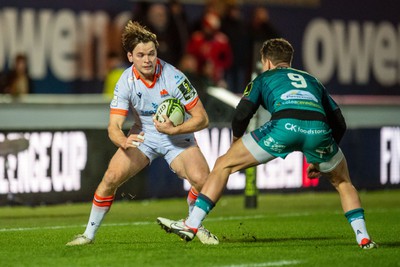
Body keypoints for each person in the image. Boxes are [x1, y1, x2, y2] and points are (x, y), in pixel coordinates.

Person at [157, 38, 377, 249]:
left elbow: (242, 113)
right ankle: (364, 238)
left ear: (268, 62)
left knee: (224, 164)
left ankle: (192, 224)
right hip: (319, 130)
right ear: (289, 60)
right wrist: (323, 153)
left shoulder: (264, 78)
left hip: (284, 126)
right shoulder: (312, 80)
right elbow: (339, 122)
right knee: (343, 183)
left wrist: (236, 142)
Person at [66, 20, 219, 246]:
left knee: (203, 181)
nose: (147, 59)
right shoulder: (125, 81)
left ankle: (193, 224)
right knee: (110, 178)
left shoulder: (175, 77)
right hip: (144, 136)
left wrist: (174, 129)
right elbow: (114, 127)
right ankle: (87, 235)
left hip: (177, 137)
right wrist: (124, 141)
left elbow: (202, 118)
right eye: (140, 55)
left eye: (151, 53)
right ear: (130, 57)